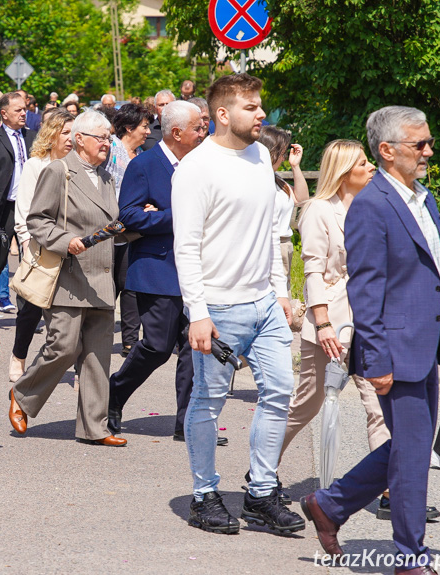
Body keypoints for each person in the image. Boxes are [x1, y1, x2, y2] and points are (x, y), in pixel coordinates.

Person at [301, 106, 440, 574]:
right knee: (411, 455)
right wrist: (375, 358)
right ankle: (409, 558)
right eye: (420, 144)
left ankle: (329, 505)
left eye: (429, 142)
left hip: (425, 344)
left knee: (408, 447)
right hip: (395, 349)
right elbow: (364, 290)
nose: (429, 151)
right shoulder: (372, 205)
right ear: (387, 151)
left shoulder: (422, 197)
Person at [171, 73, 302, 535]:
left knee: (281, 390)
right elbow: (185, 247)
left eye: (260, 105)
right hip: (220, 312)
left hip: (264, 305)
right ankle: (204, 495)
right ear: (223, 114)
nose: (261, 114)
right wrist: (199, 313)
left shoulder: (262, 154)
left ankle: (260, 492)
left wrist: (280, 290)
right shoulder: (196, 167)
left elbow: (269, 230)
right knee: (209, 400)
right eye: (251, 107)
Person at [8, 110, 125, 447]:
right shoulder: (59, 171)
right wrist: (65, 241)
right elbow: (37, 221)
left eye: (108, 137)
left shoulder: (106, 177)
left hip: (102, 277)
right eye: (100, 138)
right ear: (80, 140)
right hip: (69, 275)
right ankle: (23, 395)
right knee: (63, 345)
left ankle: (95, 426)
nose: (106, 143)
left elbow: (109, 223)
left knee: (97, 354)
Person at [107, 101, 214, 443]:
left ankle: (188, 423)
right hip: (158, 269)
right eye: (198, 128)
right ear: (176, 132)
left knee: (194, 348)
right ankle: (113, 396)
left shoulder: (202, 163)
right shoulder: (145, 165)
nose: (204, 132)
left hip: (197, 270)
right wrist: (175, 215)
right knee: (156, 347)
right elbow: (129, 216)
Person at [10, 108, 74, 382]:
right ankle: (18, 356)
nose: (72, 138)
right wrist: (26, 243)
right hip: (39, 245)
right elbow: (24, 208)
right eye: (66, 132)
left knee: (72, 313)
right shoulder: (37, 165)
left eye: (75, 133)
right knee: (31, 310)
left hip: (71, 246)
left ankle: (77, 368)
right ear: (52, 135)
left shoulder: (77, 164)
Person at [106, 103, 152, 356]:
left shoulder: (142, 154)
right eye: (144, 127)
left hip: (132, 230)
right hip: (107, 230)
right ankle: (96, 337)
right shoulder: (111, 149)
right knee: (108, 286)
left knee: (129, 284)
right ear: (128, 127)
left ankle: (130, 341)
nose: (148, 132)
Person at [0, 92, 37, 308]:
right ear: (4, 114)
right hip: (3, 209)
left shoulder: (33, 137)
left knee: (31, 260)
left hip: (31, 209)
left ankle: (27, 310)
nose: (24, 113)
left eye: (25, 109)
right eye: (18, 110)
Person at [257, 126, 308, 289]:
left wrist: (295, 167)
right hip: (267, 246)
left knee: (283, 293)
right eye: (282, 153)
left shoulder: (277, 179)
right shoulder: (256, 178)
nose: (284, 158)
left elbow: (301, 199)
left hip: (284, 245)